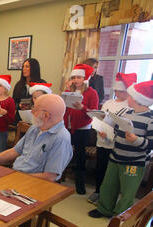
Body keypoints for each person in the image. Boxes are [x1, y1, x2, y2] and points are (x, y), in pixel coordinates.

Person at [0, 94, 73, 227]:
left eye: (34, 109)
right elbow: (15, 151)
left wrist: (15, 177)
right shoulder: (36, 127)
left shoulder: (61, 138)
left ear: (46, 115)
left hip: (35, 186)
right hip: (16, 177)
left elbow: (50, 176)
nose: (31, 112)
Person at [88, 80, 153, 218]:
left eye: (129, 96)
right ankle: (104, 209)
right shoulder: (126, 113)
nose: (126, 98)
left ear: (138, 99)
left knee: (127, 192)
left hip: (134, 163)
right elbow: (117, 134)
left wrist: (136, 140)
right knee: (108, 186)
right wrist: (107, 135)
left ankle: (120, 216)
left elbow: (151, 144)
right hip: (115, 158)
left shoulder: (151, 119)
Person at [87, 73, 137, 205]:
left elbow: (126, 126)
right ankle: (98, 191)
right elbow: (101, 117)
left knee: (111, 172)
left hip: (116, 143)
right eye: (116, 90)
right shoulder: (109, 102)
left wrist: (111, 133)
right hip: (101, 139)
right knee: (100, 168)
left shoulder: (130, 106)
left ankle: (106, 196)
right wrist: (99, 128)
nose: (117, 93)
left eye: (121, 91)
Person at [64, 64, 99, 195]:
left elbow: (93, 112)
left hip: (82, 128)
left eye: (79, 77)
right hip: (67, 126)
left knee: (80, 156)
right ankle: (59, 177)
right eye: (74, 78)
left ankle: (80, 184)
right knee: (64, 151)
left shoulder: (92, 93)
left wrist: (82, 108)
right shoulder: (68, 91)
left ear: (84, 78)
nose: (76, 80)